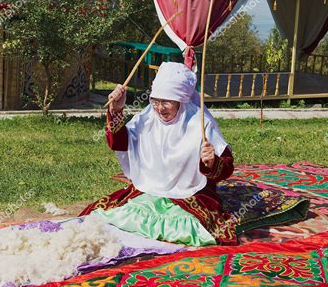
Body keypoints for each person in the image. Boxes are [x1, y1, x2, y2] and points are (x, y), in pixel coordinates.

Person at [79, 62, 237, 246]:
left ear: (182, 101)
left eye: (167, 102)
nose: (160, 108)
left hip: (188, 194)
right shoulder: (147, 119)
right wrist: (116, 110)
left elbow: (226, 166)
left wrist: (211, 162)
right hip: (149, 189)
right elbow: (120, 143)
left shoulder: (200, 124)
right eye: (156, 101)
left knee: (186, 229)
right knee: (117, 215)